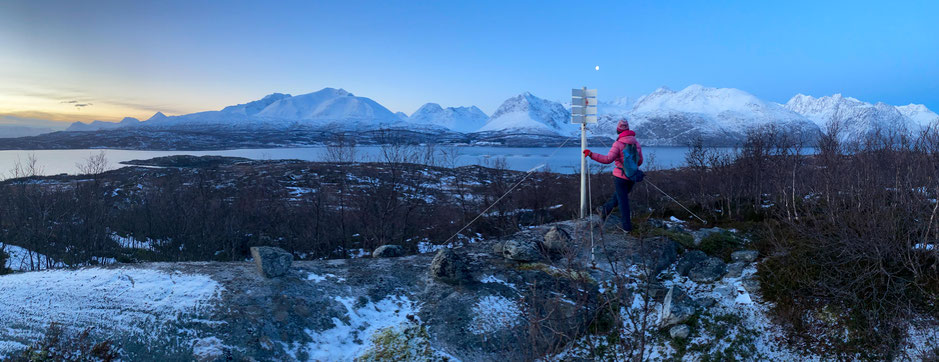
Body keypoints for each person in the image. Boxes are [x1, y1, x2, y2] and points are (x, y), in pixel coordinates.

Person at [583, 119, 644, 232]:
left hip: (620, 177)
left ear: (618, 130)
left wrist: (591, 154)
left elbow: (607, 160)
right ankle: (605, 210)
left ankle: (626, 227)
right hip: (632, 176)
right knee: (619, 196)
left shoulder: (618, 143)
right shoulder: (636, 143)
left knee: (623, 201)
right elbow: (640, 161)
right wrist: (630, 164)